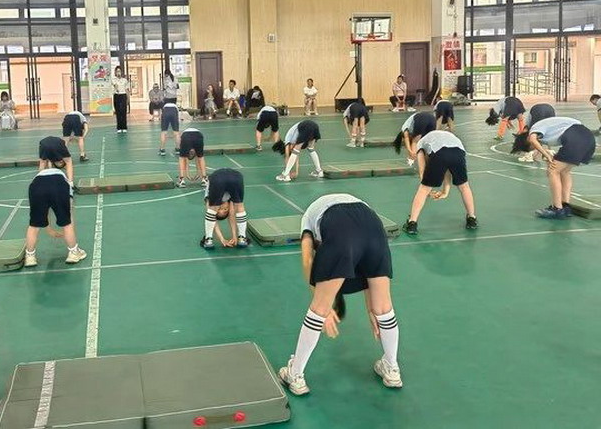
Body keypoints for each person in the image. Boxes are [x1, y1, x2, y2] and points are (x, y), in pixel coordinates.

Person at [277, 194, 401, 396]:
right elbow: (365, 265)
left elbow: (308, 260)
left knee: (318, 310)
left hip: (339, 227)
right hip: (374, 226)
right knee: (384, 308)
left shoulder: (308, 220)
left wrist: (322, 307)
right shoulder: (355, 207)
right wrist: (372, 308)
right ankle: (392, 367)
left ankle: (295, 374)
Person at [510, 117, 596, 219]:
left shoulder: (533, 130)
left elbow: (533, 140)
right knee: (564, 171)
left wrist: (546, 155)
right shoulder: (546, 130)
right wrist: (547, 155)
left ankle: (557, 209)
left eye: (532, 148)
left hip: (575, 138)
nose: (535, 148)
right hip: (588, 138)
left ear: (526, 140)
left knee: (552, 171)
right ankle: (565, 206)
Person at [24, 136, 86, 267]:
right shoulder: (62, 176)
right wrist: (70, 184)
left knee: (33, 225)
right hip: (58, 186)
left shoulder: (42, 167)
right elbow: (69, 162)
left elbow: (42, 165)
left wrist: (49, 229)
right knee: (67, 223)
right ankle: (73, 252)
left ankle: (30, 257)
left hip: (36, 186)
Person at [401, 130, 478, 236]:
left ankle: (412, 224)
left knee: (423, 189)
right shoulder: (443, 135)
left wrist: (428, 190)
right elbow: (447, 168)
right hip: (459, 151)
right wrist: (445, 191)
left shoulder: (420, 144)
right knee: (464, 187)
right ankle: (472, 219)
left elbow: (422, 171)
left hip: (439, 153)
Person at [200, 168, 249, 249]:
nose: (222, 208)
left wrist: (233, 236)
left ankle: (208, 240)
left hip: (218, 178)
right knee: (239, 206)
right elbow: (231, 214)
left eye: (220, 209)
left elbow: (213, 217)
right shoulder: (230, 200)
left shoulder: (208, 199)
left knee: (212, 210)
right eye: (225, 209)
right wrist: (222, 239)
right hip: (236, 177)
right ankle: (242, 238)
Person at [111, 66, 130, 133]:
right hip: (116, 96)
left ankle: (124, 127)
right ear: (115, 72)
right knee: (118, 112)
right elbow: (115, 87)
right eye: (117, 71)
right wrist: (115, 86)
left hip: (123, 95)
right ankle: (119, 127)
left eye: (119, 71)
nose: (118, 72)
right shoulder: (113, 80)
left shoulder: (125, 80)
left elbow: (127, 90)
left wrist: (128, 99)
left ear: (121, 72)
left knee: (123, 111)